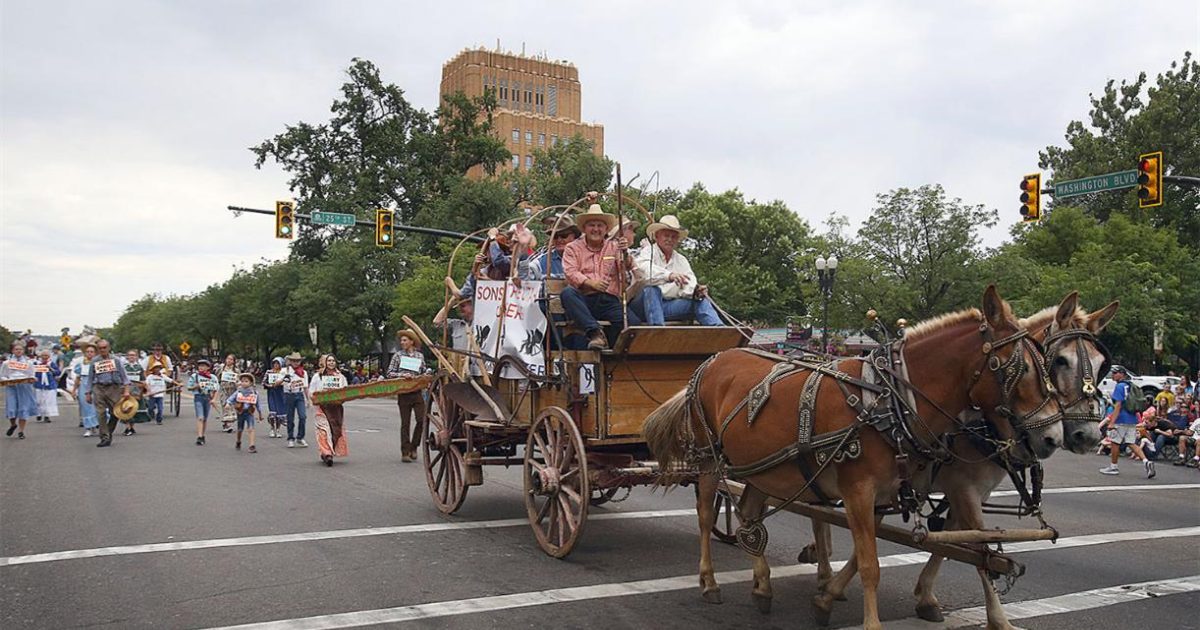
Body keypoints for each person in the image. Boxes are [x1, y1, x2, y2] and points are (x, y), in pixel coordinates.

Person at [629, 215, 722, 327]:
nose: (670, 239)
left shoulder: (681, 260)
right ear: (657, 236)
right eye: (666, 235)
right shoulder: (647, 252)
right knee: (651, 290)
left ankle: (720, 330)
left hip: (666, 307)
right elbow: (644, 275)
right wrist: (670, 277)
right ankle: (659, 334)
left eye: (673, 237)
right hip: (642, 307)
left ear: (677, 240)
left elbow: (690, 283)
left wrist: (696, 291)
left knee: (700, 300)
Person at [561, 204, 633, 349]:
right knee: (567, 293)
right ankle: (595, 333)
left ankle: (614, 349)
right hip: (584, 300)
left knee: (632, 323)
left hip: (609, 300)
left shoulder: (614, 247)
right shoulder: (572, 248)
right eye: (591, 225)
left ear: (606, 229)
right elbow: (571, 272)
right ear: (584, 229)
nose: (596, 229)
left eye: (600, 225)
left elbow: (626, 267)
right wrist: (590, 283)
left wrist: (625, 253)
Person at [1099, 366, 1151, 476]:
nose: (1113, 375)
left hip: (1121, 419)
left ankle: (1113, 466)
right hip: (1132, 418)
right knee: (1131, 442)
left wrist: (1112, 422)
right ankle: (1146, 461)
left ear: (1122, 374)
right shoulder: (1130, 385)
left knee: (1115, 442)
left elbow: (1118, 405)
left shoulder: (1120, 386)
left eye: (1115, 373)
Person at [387, 329, 426, 462]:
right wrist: (402, 375)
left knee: (421, 420)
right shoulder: (397, 356)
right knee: (405, 423)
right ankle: (405, 451)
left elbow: (423, 371)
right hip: (403, 392)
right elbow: (390, 373)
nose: (402, 342)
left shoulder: (419, 356)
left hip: (417, 392)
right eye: (401, 340)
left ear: (411, 341)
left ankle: (414, 446)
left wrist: (424, 376)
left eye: (405, 340)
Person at [87, 339, 131, 448]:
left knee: (116, 413)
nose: (102, 350)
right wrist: (88, 392)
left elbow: (124, 376)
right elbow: (90, 378)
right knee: (100, 413)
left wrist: (126, 391)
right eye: (100, 348)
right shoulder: (94, 361)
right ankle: (104, 437)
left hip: (113, 388)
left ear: (109, 348)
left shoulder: (116, 360)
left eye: (104, 348)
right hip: (99, 388)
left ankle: (108, 430)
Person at [309, 354, 348, 466]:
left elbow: (345, 390)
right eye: (329, 361)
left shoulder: (340, 377)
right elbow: (312, 392)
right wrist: (320, 396)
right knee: (324, 430)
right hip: (322, 407)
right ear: (325, 363)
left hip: (336, 408)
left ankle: (329, 450)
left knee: (336, 430)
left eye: (333, 361)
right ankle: (327, 454)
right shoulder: (318, 376)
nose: (331, 363)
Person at [2, 342, 38, 439]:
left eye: (20, 349)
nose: (18, 351)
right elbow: (2, 376)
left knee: (23, 408)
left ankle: (21, 431)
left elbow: (32, 374)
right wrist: (8, 381)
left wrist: (31, 379)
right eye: (16, 349)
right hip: (12, 387)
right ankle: (13, 424)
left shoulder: (28, 362)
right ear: (13, 351)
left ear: (23, 351)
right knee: (11, 408)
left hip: (24, 387)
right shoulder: (7, 363)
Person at [225, 373, 263, 453]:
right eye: (242, 381)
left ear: (251, 383)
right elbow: (231, 398)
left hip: (249, 412)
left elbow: (258, 403)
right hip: (240, 412)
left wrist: (260, 413)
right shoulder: (239, 391)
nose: (244, 383)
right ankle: (238, 441)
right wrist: (228, 404)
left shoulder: (254, 393)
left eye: (246, 381)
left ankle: (252, 445)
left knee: (251, 428)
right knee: (240, 429)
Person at [186, 358, 220, 445]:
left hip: (207, 398)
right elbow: (189, 387)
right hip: (198, 397)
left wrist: (214, 399)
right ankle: (199, 436)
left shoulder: (212, 377)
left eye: (203, 366)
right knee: (200, 417)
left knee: (205, 418)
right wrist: (196, 386)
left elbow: (216, 389)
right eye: (200, 366)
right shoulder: (195, 376)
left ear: (208, 367)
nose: (201, 367)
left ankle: (203, 435)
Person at [282, 352, 310, 448]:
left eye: (297, 361)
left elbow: (305, 386)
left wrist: (308, 399)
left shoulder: (303, 372)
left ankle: (300, 437)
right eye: (293, 361)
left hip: (299, 394)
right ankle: (290, 438)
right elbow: (276, 383)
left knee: (303, 416)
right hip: (288, 394)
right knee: (290, 417)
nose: (295, 363)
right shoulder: (285, 371)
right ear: (290, 361)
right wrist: (284, 379)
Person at [70, 344, 99, 436]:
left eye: (92, 352)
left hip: (96, 385)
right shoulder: (81, 364)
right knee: (86, 407)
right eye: (88, 352)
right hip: (84, 386)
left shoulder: (98, 363)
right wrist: (74, 390)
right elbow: (78, 378)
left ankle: (95, 425)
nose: (89, 353)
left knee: (96, 406)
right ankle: (88, 428)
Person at [121, 349, 146, 436]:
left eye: (133, 355)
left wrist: (142, 386)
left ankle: (131, 427)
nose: (131, 357)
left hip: (137, 391)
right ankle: (127, 428)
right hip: (127, 390)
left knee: (134, 409)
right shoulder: (123, 367)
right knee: (126, 409)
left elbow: (143, 380)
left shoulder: (139, 367)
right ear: (127, 356)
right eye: (130, 355)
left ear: (136, 357)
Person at [33, 349, 61, 423]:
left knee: (48, 401)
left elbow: (58, 372)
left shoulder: (51, 363)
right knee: (39, 400)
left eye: (46, 355)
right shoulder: (36, 363)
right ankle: (39, 413)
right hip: (39, 385)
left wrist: (51, 369)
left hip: (49, 385)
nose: (45, 357)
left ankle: (47, 416)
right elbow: (32, 372)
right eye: (43, 355)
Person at [214, 354, 239, 433]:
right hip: (223, 389)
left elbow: (239, 379)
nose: (229, 360)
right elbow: (216, 378)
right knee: (225, 405)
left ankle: (227, 422)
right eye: (228, 358)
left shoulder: (236, 370)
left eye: (231, 359)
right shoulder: (221, 368)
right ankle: (227, 424)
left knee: (231, 406)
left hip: (233, 390)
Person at [263, 357, 287, 438]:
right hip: (272, 393)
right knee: (272, 412)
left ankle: (278, 429)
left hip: (280, 394)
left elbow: (288, 381)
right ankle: (272, 428)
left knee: (280, 412)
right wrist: (270, 385)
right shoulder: (269, 372)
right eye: (275, 363)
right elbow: (264, 382)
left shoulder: (283, 373)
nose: (276, 365)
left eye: (278, 363)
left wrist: (282, 383)